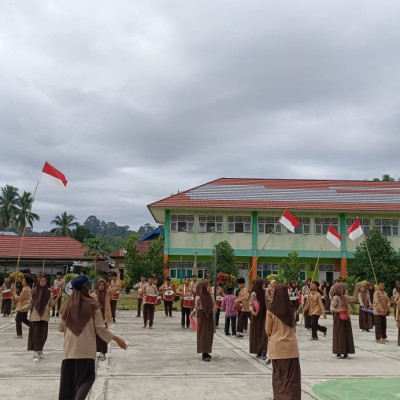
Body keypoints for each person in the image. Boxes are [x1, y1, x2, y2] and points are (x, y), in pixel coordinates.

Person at [58, 275, 127, 400]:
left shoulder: (66, 306)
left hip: (69, 352)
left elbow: (60, 328)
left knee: (68, 386)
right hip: (86, 351)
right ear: (85, 288)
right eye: (88, 286)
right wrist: (117, 339)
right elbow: (101, 329)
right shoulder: (93, 305)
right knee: (87, 379)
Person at [266, 284, 301, 400]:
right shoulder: (291, 310)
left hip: (277, 347)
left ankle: (280, 397)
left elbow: (268, 330)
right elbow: (294, 329)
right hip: (291, 348)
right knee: (292, 377)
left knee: (279, 376)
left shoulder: (271, 310)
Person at [19, 275, 58, 362]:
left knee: (43, 335)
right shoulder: (34, 292)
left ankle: (40, 350)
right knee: (35, 335)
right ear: (38, 282)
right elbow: (30, 304)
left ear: (46, 282)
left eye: (44, 281)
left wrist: (56, 299)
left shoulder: (49, 293)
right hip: (35, 316)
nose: (42, 282)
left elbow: (51, 304)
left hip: (45, 316)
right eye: (41, 281)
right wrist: (20, 309)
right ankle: (36, 353)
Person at [190, 280, 217, 362]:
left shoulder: (210, 295)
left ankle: (207, 351)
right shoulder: (198, 297)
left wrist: (215, 307)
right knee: (203, 334)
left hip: (209, 316)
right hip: (202, 316)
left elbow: (214, 304)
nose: (209, 287)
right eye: (208, 285)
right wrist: (193, 313)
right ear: (203, 287)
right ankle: (204, 353)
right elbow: (197, 307)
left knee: (209, 334)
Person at [91, 279, 117, 361]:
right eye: (100, 285)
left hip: (104, 318)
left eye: (103, 285)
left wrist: (119, 277)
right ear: (97, 286)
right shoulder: (93, 294)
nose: (101, 287)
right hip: (96, 318)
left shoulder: (108, 294)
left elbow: (116, 288)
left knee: (104, 335)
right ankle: (93, 351)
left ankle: (103, 352)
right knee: (94, 335)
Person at [330, 282, 355, 359]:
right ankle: (338, 352)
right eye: (344, 289)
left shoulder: (345, 297)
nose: (346, 290)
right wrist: (338, 310)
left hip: (346, 318)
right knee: (339, 334)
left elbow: (354, 298)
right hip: (339, 318)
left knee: (347, 334)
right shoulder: (336, 298)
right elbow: (331, 308)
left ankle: (345, 352)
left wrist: (357, 290)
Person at [249, 279, 268, 360]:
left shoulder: (265, 292)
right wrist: (253, 311)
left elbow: (269, 302)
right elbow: (250, 304)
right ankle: (258, 351)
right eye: (263, 284)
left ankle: (264, 351)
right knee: (257, 334)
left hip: (264, 315)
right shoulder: (254, 294)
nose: (264, 286)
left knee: (264, 334)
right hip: (256, 317)